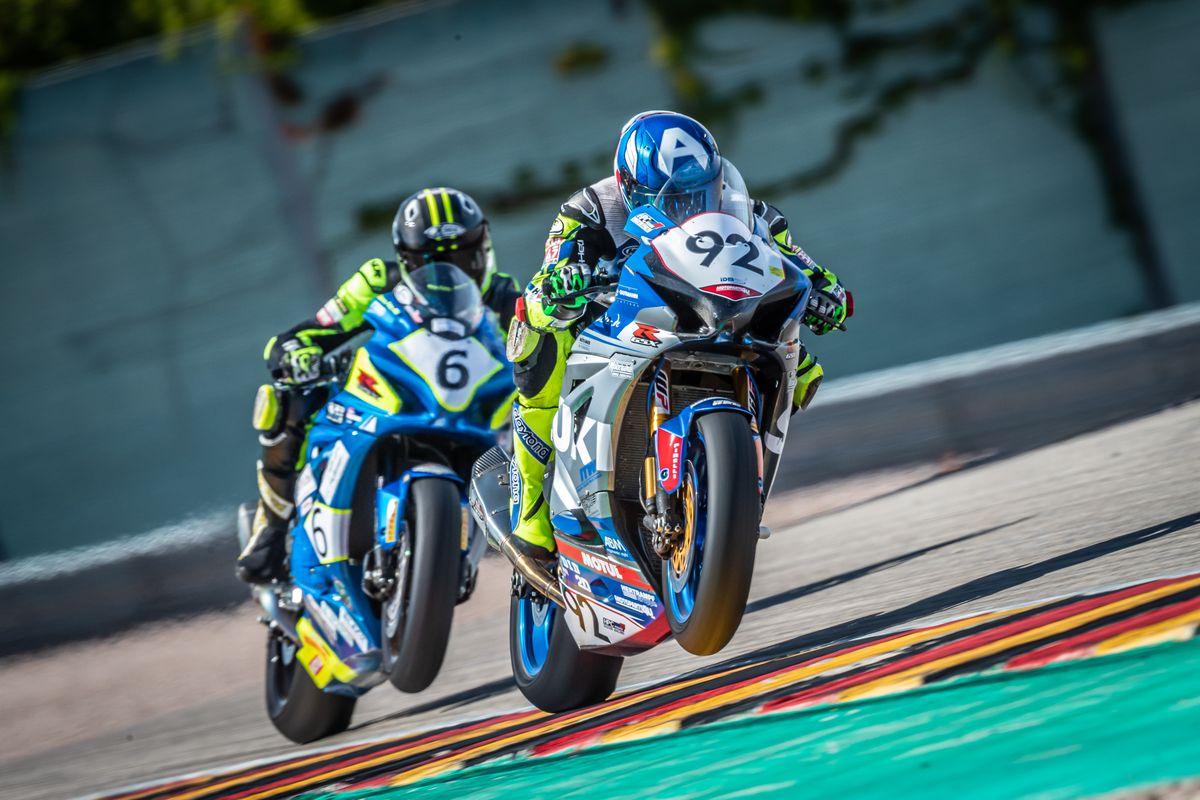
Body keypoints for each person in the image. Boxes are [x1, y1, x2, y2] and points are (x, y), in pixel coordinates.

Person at [506, 110, 853, 560]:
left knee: (801, 368)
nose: (687, 206)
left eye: (698, 194)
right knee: (540, 335)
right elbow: (549, 275)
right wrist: (563, 282)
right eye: (670, 198)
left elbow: (800, 265)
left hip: (714, 314)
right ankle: (531, 512)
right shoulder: (589, 210)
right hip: (619, 318)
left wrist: (828, 293)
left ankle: (736, 489)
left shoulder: (754, 216)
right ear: (628, 186)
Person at [237, 187, 521, 584]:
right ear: (406, 258)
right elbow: (314, 330)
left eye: (461, 257)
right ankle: (270, 527)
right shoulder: (376, 281)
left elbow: (538, 341)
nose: (447, 273)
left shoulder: (504, 295)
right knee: (287, 399)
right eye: (430, 261)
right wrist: (297, 352)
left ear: (482, 249)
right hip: (388, 394)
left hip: (470, 412)